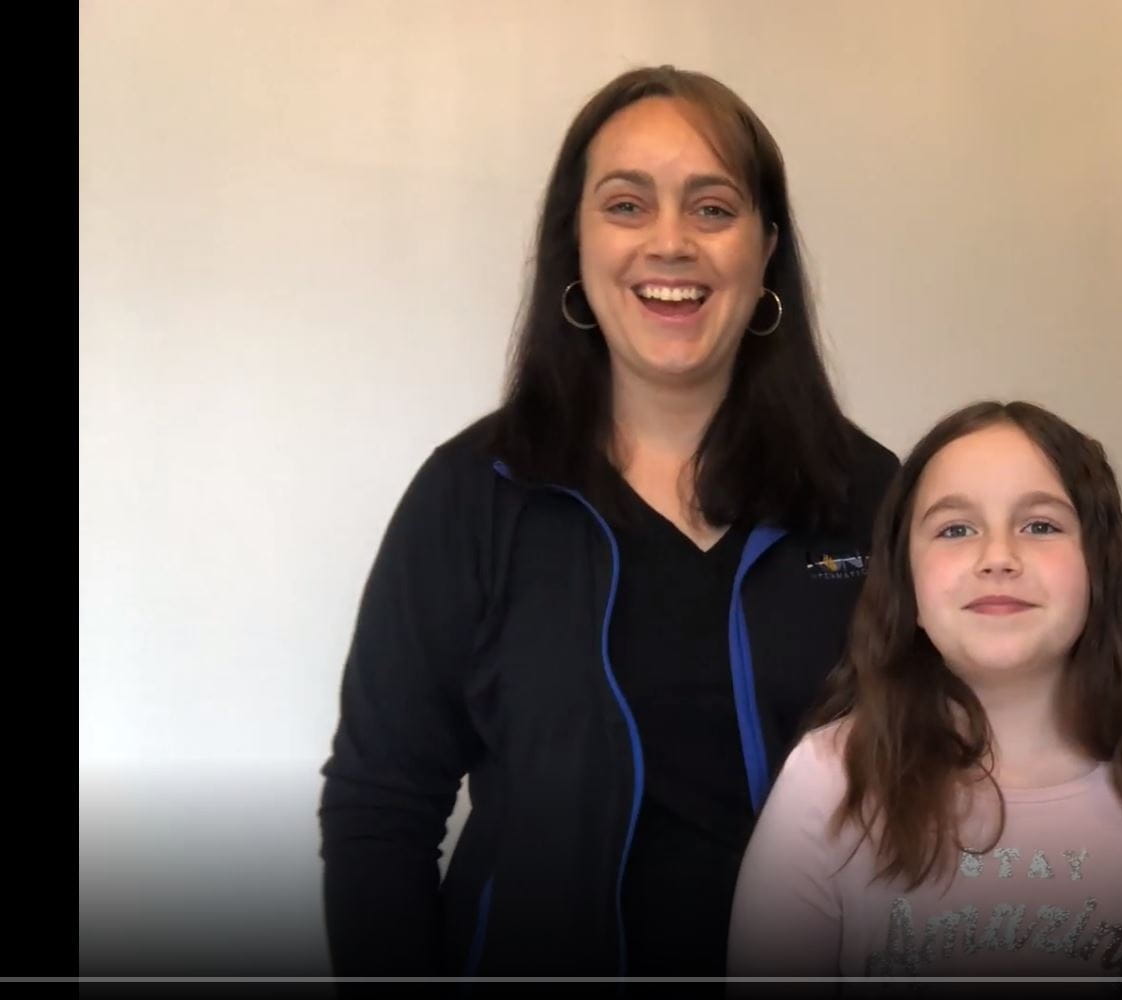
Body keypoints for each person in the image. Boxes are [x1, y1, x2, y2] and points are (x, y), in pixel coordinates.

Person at [318, 65, 899, 978]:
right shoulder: (471, 495)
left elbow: (973, 761)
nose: (670, 243)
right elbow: (380, 806)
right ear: (576, 246)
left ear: (765, 252)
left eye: (713, 209)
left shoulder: (870, 495)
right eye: (627, 206)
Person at [726, 401, 1122, 983]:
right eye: (955, 529)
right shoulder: (829, 779)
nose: (999, 557)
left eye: (1041, 526)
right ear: (905, 583)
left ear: (1099, 570)